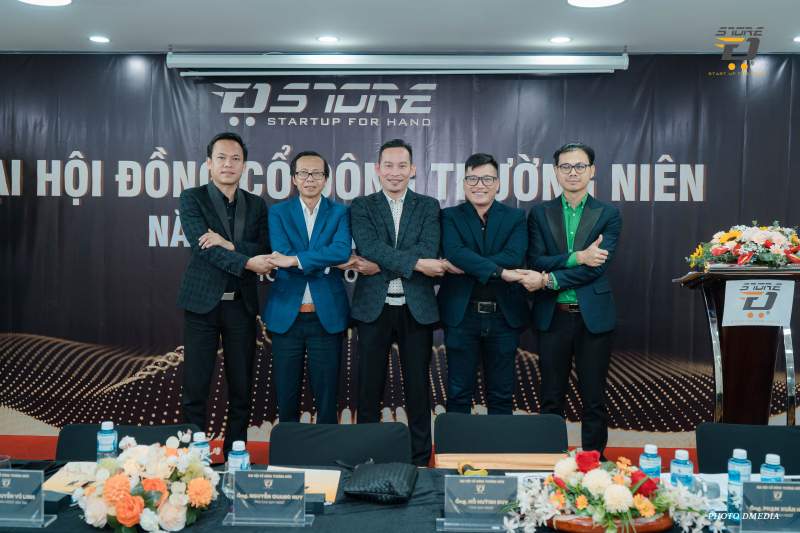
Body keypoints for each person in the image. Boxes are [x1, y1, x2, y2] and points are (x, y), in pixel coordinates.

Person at [518, 142, 621, 458]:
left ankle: (594, 463)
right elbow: (536, 260)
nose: (572, 172)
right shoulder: (539, 213)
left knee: (594, 397)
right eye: (565, 166)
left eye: (579, 166)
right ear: (556, 172)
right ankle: (551, 459)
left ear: (592, 170)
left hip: (594, 318)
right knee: (551, 396)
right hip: (554, 316)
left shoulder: (609, 214)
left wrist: (551, 279)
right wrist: (579, 256)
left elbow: (597, 267)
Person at [350, 138, 445, 466]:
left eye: (402, 165)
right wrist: (415, 264)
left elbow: (428, 248)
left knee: (418, 391)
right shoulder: (362, 205)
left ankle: (420, 461)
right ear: (377, 169)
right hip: (372, 309)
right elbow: (369, 246)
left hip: (415, 308)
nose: (395, 172)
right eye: (388, 165)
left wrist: (380, 265)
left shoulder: (428, 205)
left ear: (412, 169)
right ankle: (365, 460)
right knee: (368, 391)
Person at [177, 132, 273, 458]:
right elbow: (203, 247)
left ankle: (235, 459)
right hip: (201, 307)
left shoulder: (257, 204)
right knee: (195, 390)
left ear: (244, 165)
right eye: (221, 158)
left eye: (235, 159)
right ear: (209, 162)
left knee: (242, 391)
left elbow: (265, 248)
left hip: (241, 308)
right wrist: (245, 260)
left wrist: (229, 244)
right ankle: (194, 463)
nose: (228, 164)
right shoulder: (192, 198)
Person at [438, 153, 535, 415]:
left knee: (501, 396)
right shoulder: (449, 215)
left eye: (487, 179)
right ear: (464, 182)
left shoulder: (516, 216)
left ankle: (498, 444)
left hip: (504, 316)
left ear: (497, 183)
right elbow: (454, 252)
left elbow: (513, 256)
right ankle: (457, 443)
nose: (479, 185)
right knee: (458, 394)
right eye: (473, 179)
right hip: (461, 315)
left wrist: (469, 265)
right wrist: (501, 272)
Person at [262, 150, 352, 425]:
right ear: (293, 178)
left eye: (317, 173)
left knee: (327, 400)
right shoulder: (277, 212)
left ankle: (326, 451)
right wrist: (322, 264)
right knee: (286, 397)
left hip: (326, 317)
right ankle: (287, 450)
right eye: (303, 173)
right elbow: (281, 252)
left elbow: (341, 251)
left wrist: (295, 260)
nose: (310, 178)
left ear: (326, 179)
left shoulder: (340, 212)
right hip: (286, 316)